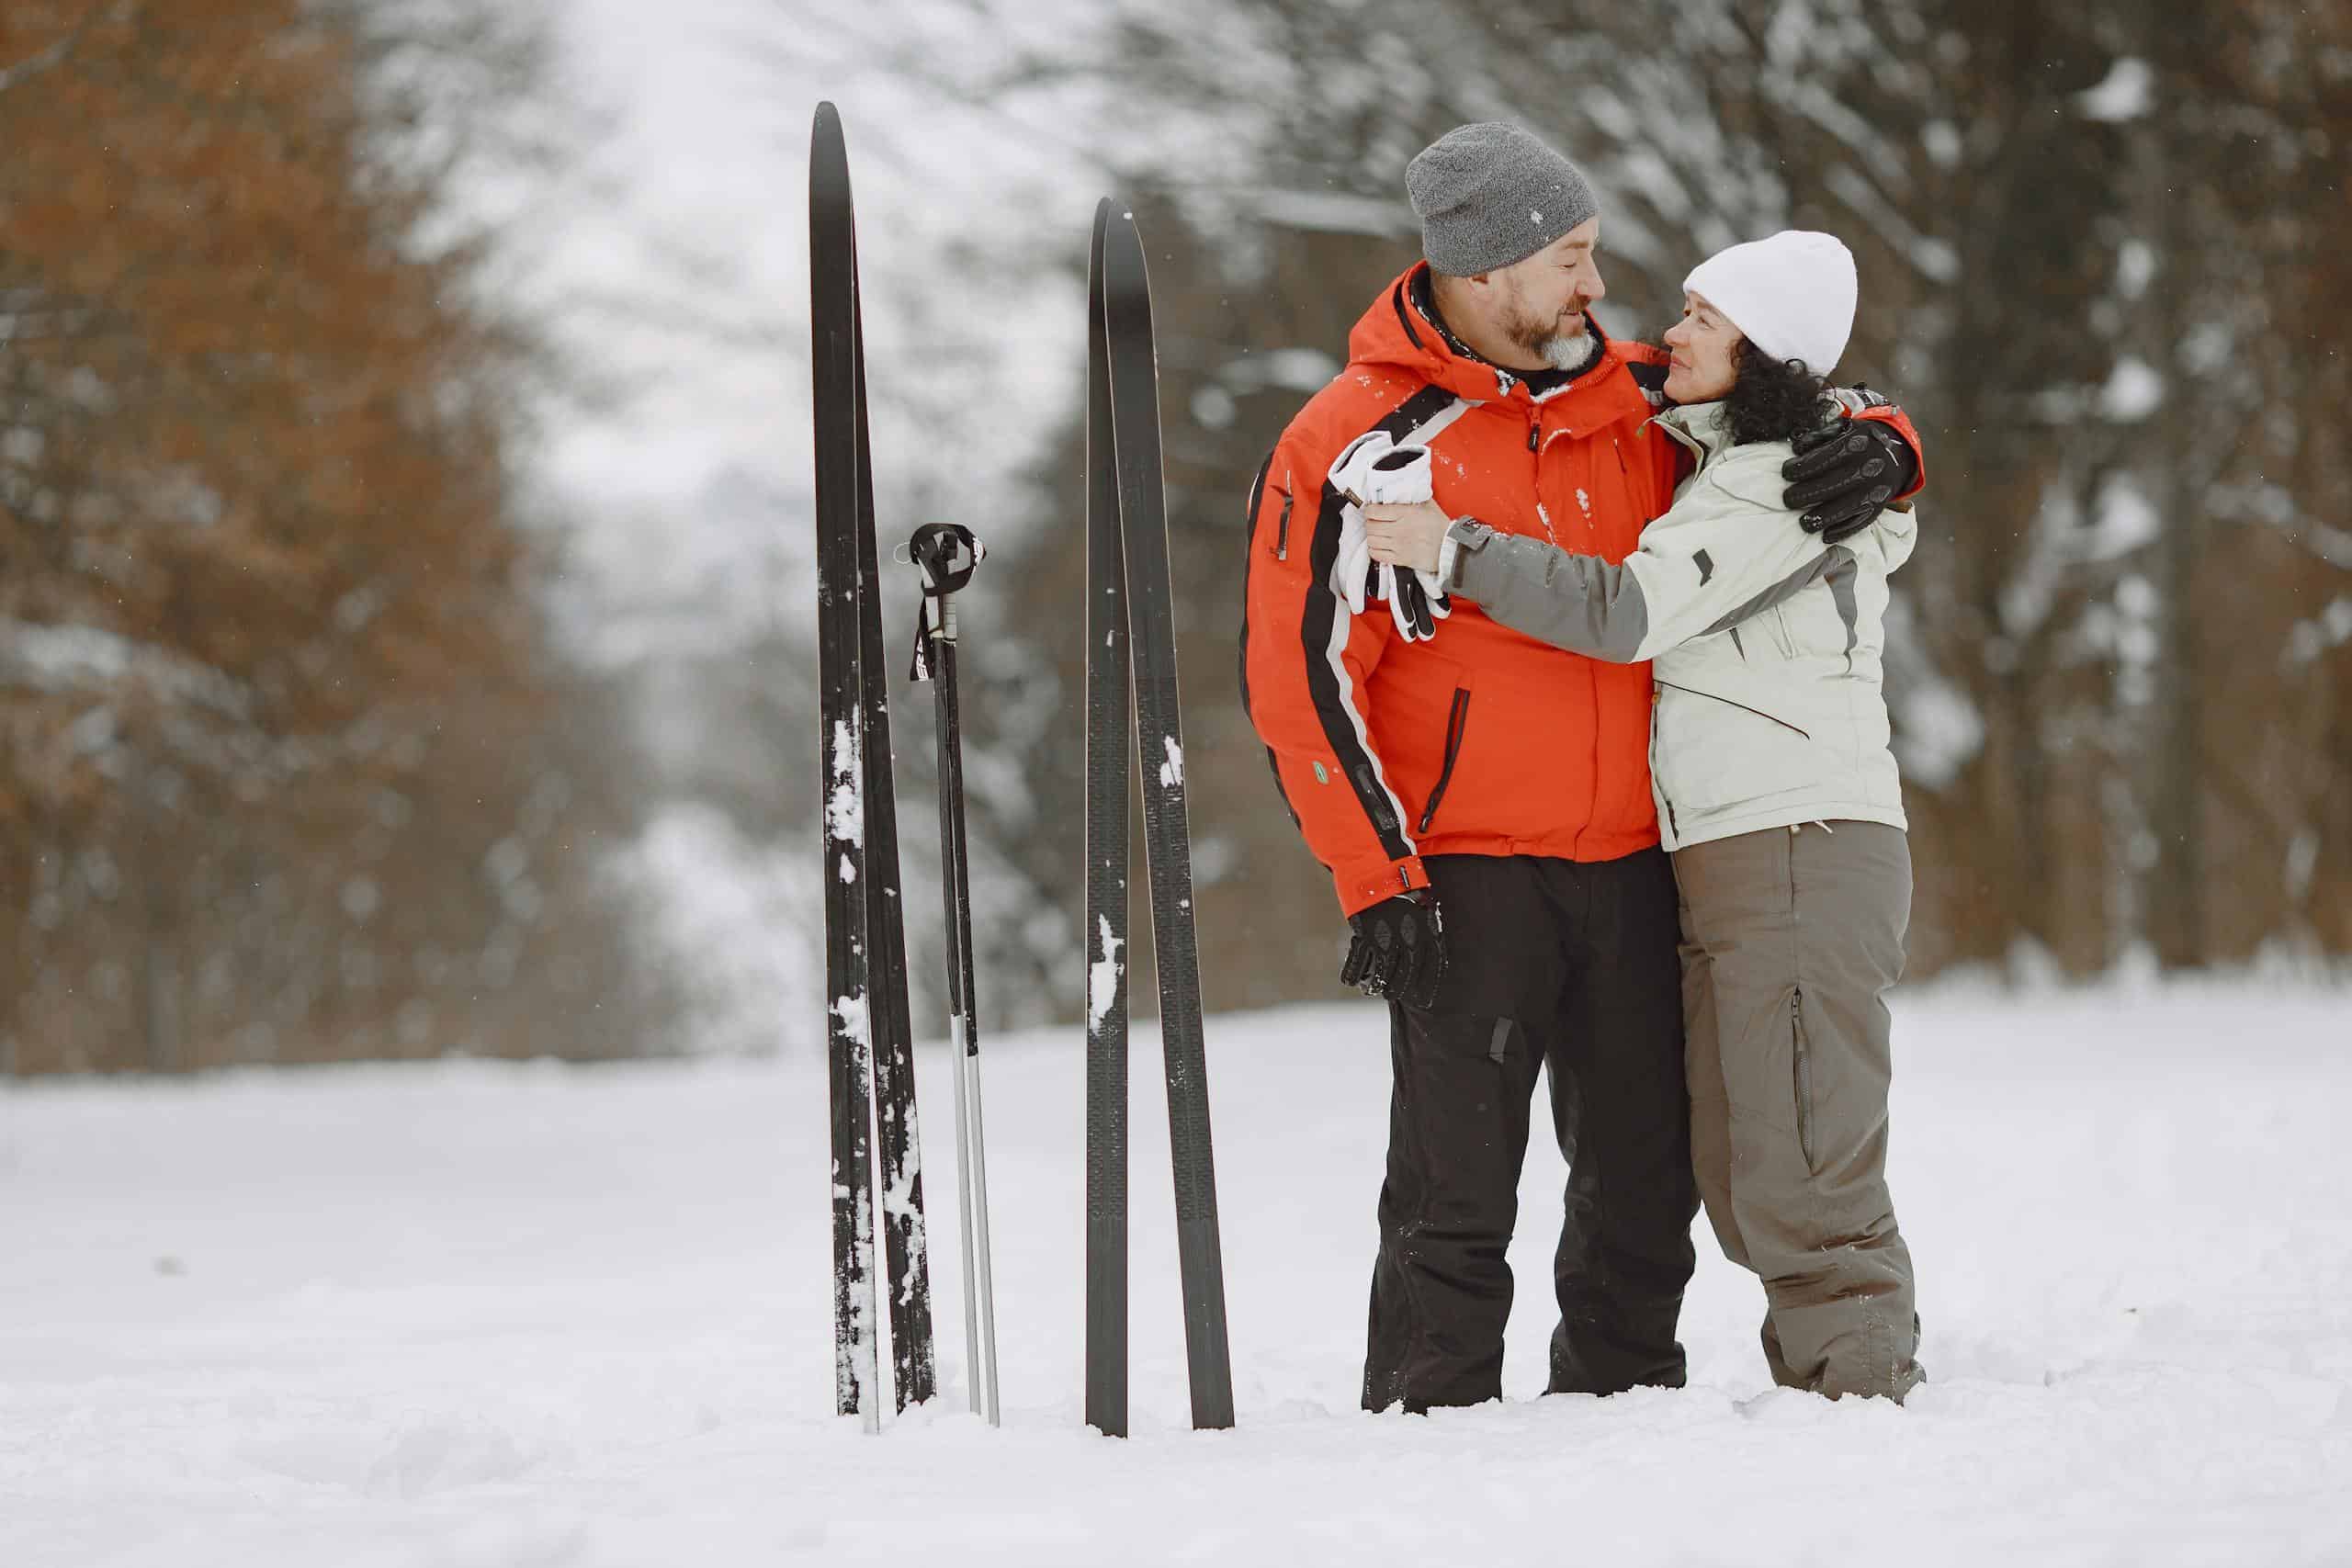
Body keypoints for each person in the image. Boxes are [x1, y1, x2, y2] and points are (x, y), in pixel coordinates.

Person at [1237, 120, 1922, 1413]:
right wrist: (1376, 875)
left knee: (1645, 1181)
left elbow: (1788, 384)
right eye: (1572, 258)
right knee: (1454, 1186)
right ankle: (1430, 1423)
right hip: (1466, 869)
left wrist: (1886, 440)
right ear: (1487, 269)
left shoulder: (1635, 396)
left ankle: (1621, 1413)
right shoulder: (1356, 438)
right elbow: (1298, 676)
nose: (1599, 290)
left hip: (1640, 860)